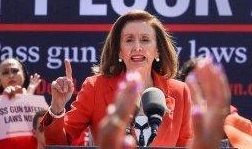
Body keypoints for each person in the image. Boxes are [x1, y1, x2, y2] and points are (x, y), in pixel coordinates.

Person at [42, 10, 192, 146]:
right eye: (129, 40)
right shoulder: (96, 87)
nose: (137, 47)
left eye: (145, 40)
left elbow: (186, 145)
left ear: (158, 50)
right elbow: (57, 144)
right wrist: (57, 108)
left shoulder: (180, 92)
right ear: (119, 51)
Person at [96, 57, 236, 149]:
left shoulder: (227, 117)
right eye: (195, 85)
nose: (137, 47)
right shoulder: (98, 89)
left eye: (145, 40)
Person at [0, 57, 42, 149]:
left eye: (15, 71)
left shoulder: (37, 102)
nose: (11, 75)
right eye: (5, 73)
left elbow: (46, 134)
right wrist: (4, 101)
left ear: (24, 75)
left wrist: (27, 98)